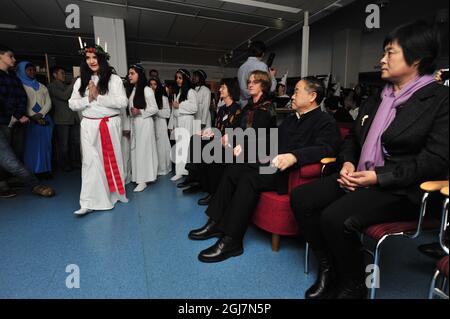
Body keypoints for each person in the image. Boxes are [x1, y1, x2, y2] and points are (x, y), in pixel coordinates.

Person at [290, 21, 449, 299]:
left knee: (335, 217)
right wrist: (348, 163)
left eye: (390, 53)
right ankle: (329, 268)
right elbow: (353, 138)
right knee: (302, 197)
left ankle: (353, 285)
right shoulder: (378, 97)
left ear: (417, 58)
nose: (381, 60)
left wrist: (378, 177)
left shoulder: (440, 100)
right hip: (360, 176)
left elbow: (434, 161)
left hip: (402, 189)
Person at [189, 74, 341, 264]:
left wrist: (295, 156)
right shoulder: (293, 119)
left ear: (312, 96)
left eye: (296, 92)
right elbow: (272, 140)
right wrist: (246, 146)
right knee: (235, 168)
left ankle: (232, 240)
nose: (292, 96)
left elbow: (327, 149)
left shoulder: (325, 121)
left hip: (290, 174)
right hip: (273, 165)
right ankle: (216, 222)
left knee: (249, 178)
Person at [69, 42, 128, 216]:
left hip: (109, 124)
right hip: (88, 125)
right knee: (89, 162)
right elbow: (72, 103)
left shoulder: (114, 79)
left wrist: (98, 97)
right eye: (87, 58)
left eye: (94, 57)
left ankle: (113, 196)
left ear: (101, 59)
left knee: (110, 161)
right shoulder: (81, 81)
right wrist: (88, 100)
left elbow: (122, 103)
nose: (91, 61)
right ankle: (88, 201)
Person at [0, 44, 54, 198]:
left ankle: (5, 182)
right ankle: (36, 184)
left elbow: (22, 98)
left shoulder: (12, 77)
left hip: (13, 122)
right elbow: (2, 99)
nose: (14, 59)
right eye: (10, 56)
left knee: (15, 154)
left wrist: (20, 114)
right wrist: (18, 114)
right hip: (6, 120)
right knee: (9, 159)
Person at [16, 62, 54, 177]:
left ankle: (45, 170)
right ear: (22, 71)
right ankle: (32, 171)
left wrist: (41, 114)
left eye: (33, 70)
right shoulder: (19, 86)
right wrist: (32, 116)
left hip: (45, 120)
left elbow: (48, 103)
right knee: (31, 147)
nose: (32, 72)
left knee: (46, 147)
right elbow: (22, 103)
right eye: (29, 70)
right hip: (29, 121)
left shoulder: (42, 86)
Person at [125, 64, 159, 192]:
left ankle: (144, 179)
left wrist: (140, 111)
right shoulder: (134, 89)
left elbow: (154, 108)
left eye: (132, 73)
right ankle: (138, 177)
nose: (129, 75)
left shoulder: (146, 89)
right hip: (136, 123)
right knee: (136, 150)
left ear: (139, 74)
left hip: (144, 123)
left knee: (143, 150)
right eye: (129, 73)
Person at [48, 66, 80, 172]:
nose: (64, 75)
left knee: (75, 143)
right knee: (64, 145)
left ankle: (75, 163)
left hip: (73, 118)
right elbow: (64, 96)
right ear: (54, 75)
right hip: (62, 120)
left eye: (64, 73)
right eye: (62, 73)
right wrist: (72, 84)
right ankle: (64, 165)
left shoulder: (67, 86)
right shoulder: (51, 86)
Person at [168, 68, 198, 182]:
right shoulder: (178, 92)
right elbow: (173, 111)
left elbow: (194, 108)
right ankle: (180, 171)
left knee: (186, 147)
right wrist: (171, 126)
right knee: (179, 147)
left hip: (187, 121)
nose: (178, 80)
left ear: (185, 79)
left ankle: (186, 170)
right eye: (176, 78)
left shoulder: (191, 92)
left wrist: (179, 106)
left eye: (180, 78)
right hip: (179, 122)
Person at [237, 41, 276, 108]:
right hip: (257, 105)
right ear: (263, 53)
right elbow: (271, 88)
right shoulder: (261, 66)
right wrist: (272, 76)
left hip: (244, 106)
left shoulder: (241, 67)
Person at [149, 77, 172, 176]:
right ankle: (154, 169)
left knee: (161, 146)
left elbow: (167, 113)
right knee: (152, 147)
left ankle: (163, 168)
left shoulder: (163, 98)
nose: (153, 86)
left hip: (161, 123)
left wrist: (156, 111)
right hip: (150, 124)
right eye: (151, 84)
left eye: (155, 84)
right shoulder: (148, 98)